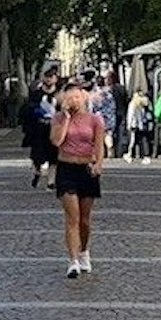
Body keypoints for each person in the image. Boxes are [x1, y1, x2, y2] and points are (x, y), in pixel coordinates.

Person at [50, 78, 107, 278]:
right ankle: (73, 260)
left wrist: (98, 165)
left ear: (83, 98)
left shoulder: (95, 120)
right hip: (66, 168)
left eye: (76, 97)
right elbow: (56, 141)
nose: (73, 101)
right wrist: (66, 118)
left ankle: (83, 251)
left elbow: (99, 146)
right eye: (69, 98)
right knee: (72, 217)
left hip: (86, 169)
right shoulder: (58, 118)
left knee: (84, 220)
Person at [21, 65, 60, 186]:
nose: (49, 79)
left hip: (54, 129)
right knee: (38, 156)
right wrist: (35, 112)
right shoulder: (36, 94)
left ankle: (51, 181)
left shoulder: (59, 94)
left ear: (55, 79)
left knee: (54, 156)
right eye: (47, 77)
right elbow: (26, 110)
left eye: (51, 77)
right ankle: (37, 171)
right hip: (38, 129)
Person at [125, 88, 151, 161]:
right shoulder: (143, 103)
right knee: (143, 139)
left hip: (134, 124)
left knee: (132, 140)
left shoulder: (133, 103)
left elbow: (130, 115)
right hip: (142, 124)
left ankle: (130, 154)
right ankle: (145, 154)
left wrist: (129, 124)